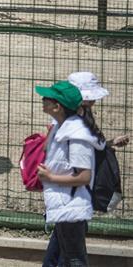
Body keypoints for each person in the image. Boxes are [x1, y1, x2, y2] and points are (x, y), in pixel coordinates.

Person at [36, 80, 104, 267]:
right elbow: (47, 150)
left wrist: (51, 178)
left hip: (72, 204)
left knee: (74, 259)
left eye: (47, 99)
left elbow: (84, 177)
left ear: (57, 106)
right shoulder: (62, 127)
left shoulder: (76, 135)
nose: (42, 100)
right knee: (58, 255)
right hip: (62, 202)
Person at [67, 71, 130, 149]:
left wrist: (111, 143)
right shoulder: (69, 118)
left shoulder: (84, 112)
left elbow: (91, 146)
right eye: (89, 99)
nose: (92, 101)